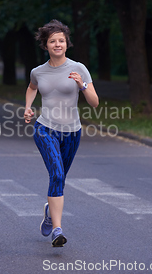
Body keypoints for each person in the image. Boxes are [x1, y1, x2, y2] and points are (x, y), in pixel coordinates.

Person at [24, 20, 99, 246]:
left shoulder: (79, 68)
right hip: (45, 128)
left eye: (61, 41)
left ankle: (50, 212)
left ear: (67, 44)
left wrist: (83, 85)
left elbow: (94, 103)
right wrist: (28, 107)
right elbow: (32, 87)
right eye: (52, 41)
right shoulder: (38, 71)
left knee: (60, 179)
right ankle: (57, 230)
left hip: (72, 132)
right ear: (45, 45)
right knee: (56, 174)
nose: (57, 44)